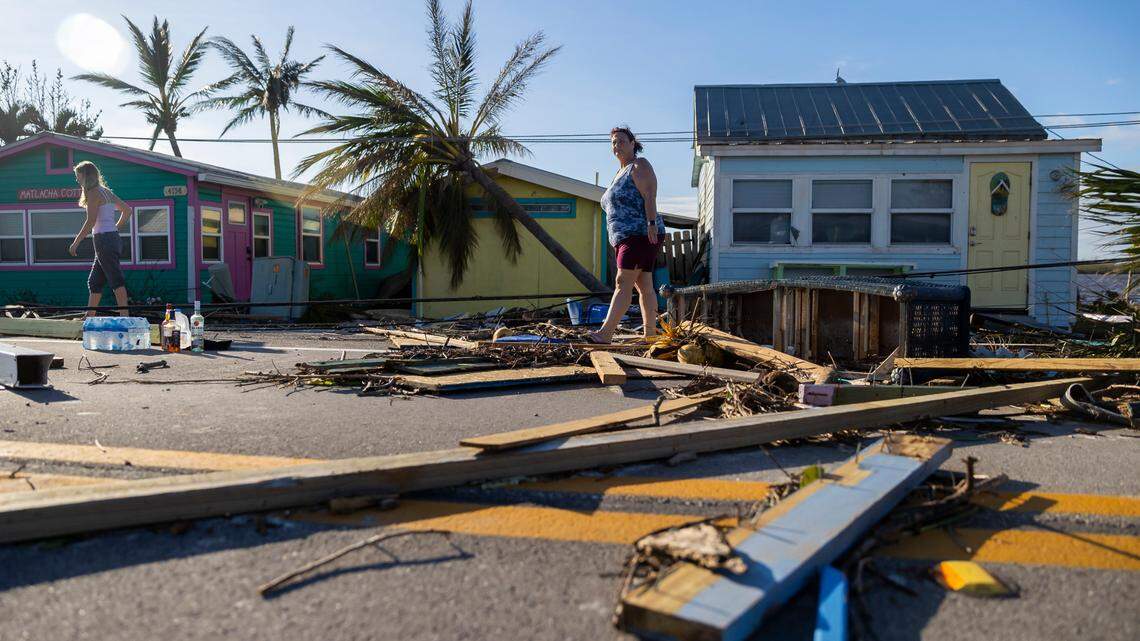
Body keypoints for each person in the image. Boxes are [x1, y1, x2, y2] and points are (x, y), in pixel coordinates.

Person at [588, 126, 667, 344]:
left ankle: (605, 333)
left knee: (623, 281)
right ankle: (650, 335)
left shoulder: (639, 165)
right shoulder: (619, 173)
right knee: (644, 285)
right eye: (614, 142)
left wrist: (651, 223)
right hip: (625, 236)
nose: (617, 145)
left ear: (633, 143)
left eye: (622, 141)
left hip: (640, 233)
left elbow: (650, 194)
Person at [68, 161, 132, 317]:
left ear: (86, 175)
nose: (77, 180)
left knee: (115, 279)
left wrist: (75, 242)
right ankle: (89, 317)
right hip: (110, 239)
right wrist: (115, 228)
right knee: (95, 281)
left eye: (78, 176)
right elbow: (127, 210)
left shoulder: (93, 193)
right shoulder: (106, 192)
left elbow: (91, 221)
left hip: (104, 240)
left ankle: (125, 317)